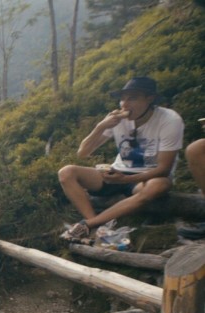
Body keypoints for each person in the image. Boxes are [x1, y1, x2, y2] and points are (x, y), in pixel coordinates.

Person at [58, 76, 184, 242]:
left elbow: (164, 169)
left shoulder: (170, 120)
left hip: (147, 177)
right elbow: (82, 153)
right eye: (122, 99)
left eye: (132, 98)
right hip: (117, 171)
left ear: (150, 99)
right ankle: (98, 227)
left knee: (158, 186)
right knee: (66, 172)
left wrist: (126, 179)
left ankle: (88, 223)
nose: (124, 104)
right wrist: (101, 126)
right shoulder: (116, 120)